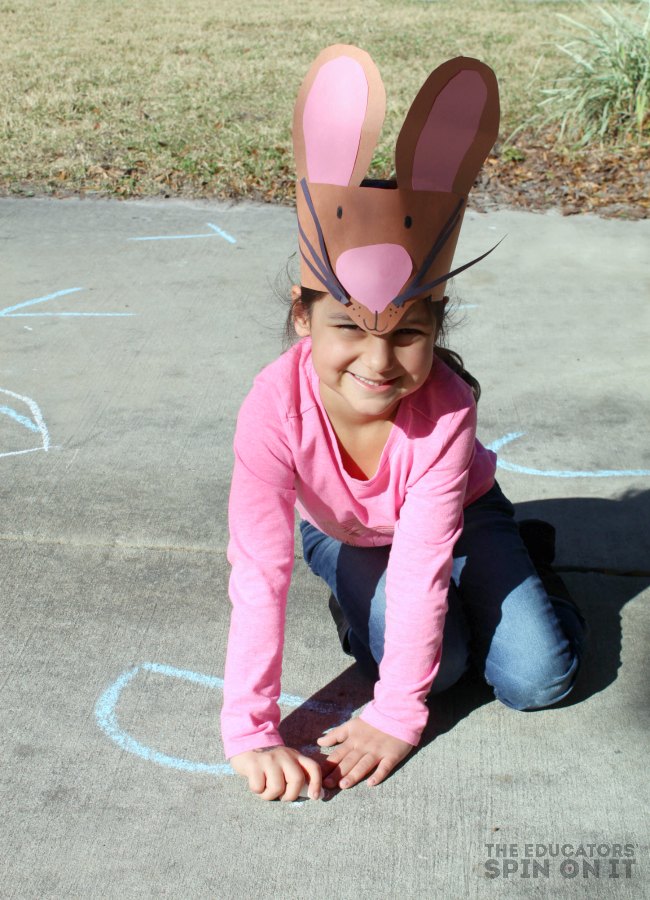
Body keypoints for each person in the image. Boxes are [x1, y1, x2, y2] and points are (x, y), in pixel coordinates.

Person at [220, 45, 586, 802]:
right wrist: (250, 728)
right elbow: (260, 570)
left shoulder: (445, 409)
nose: (378, 362)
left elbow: (420, 566)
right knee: (442, 665)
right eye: (348, 327)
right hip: (343, 531)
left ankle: (525, 565)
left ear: (437, 324)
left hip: (462, 514)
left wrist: (397, 714)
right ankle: (398, 602)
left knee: (536, 678)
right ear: (302, 316)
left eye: (408, 334)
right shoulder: (271, 408)